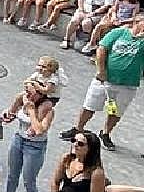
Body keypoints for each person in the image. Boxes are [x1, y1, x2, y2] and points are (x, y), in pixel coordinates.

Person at [60, 13, 144, 152]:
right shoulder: (118, 33)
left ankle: (105, 133)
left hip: (128, 83)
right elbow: (102, 49)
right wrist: (101, 70)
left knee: (116, 110)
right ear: (136, 22)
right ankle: (78, 128)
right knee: (90, 105)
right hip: (104, 79)